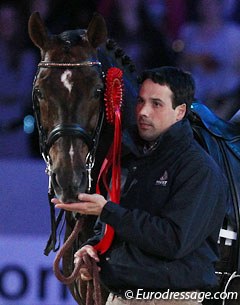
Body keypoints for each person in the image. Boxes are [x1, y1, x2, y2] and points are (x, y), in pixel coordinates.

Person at [52, 67, 228, 305]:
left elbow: (172, 241)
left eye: (156, 104)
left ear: (180, 112)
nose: (143, 111)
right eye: (141, 101)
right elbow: (118, 224)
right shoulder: (130, 158)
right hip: (119, 296)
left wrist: (107, 211)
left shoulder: (198, 169)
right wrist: (94, 248)